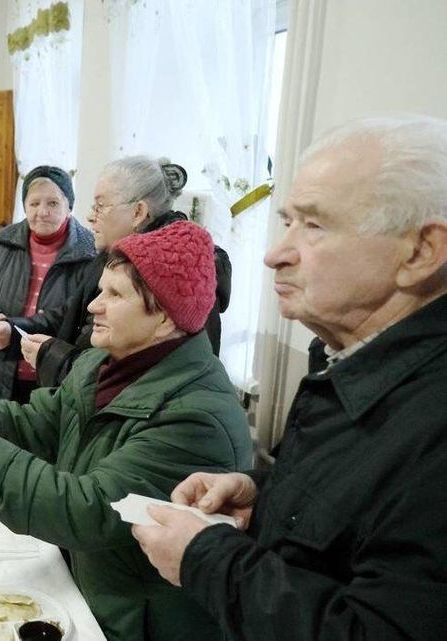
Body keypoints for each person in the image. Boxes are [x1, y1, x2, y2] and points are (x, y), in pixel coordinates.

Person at [131, 115, 447, 640]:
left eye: (315, 225)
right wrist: (265, 499)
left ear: (420, 253)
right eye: (288, 222)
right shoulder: (348, 361)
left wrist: (206, 559)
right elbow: (362, 515)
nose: (275, 253)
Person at [0, 221, 251, 641]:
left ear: (166, 317)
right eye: (100, 290)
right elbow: (39, 425)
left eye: (115, 295)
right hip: (88, 582)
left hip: (136, 620)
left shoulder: (197, 417)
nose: (93, 306)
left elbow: (94, 508)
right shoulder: (103, 363)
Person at [0, 157, 231, 388]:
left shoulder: (177, 276)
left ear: (138, 212)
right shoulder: (111, 256)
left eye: (100, 206)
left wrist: (50, 355)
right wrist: (12, 328)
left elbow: (125, 377)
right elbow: (68, 314)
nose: (90, 216)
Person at [0, 165, 96, 402]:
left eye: (53, 203)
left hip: (53, 377)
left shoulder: (89, 252)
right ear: (24, 206)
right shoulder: (5, 241)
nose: (42, 212)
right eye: (34, 203)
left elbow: (68, 316)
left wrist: (10, 328)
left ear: (69, 207)